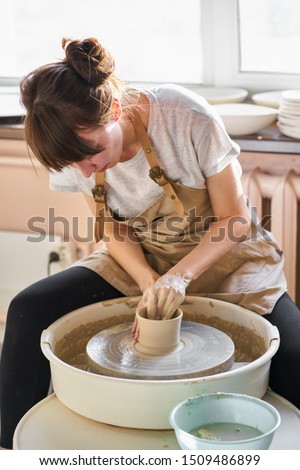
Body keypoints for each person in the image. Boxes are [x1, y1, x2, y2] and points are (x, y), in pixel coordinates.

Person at [1, 37, 300, 449]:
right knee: (28, 309)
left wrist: (177, 279)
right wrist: (146, 279)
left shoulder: (183, 116)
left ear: (116, 111)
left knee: (295, 360)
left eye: (93, 154)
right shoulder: (75, 153)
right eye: (75, 164)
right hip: (142, 254)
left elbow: (234, 220)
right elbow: (113, 229)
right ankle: (11, 450)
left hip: (228, 255)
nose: (88, 170)